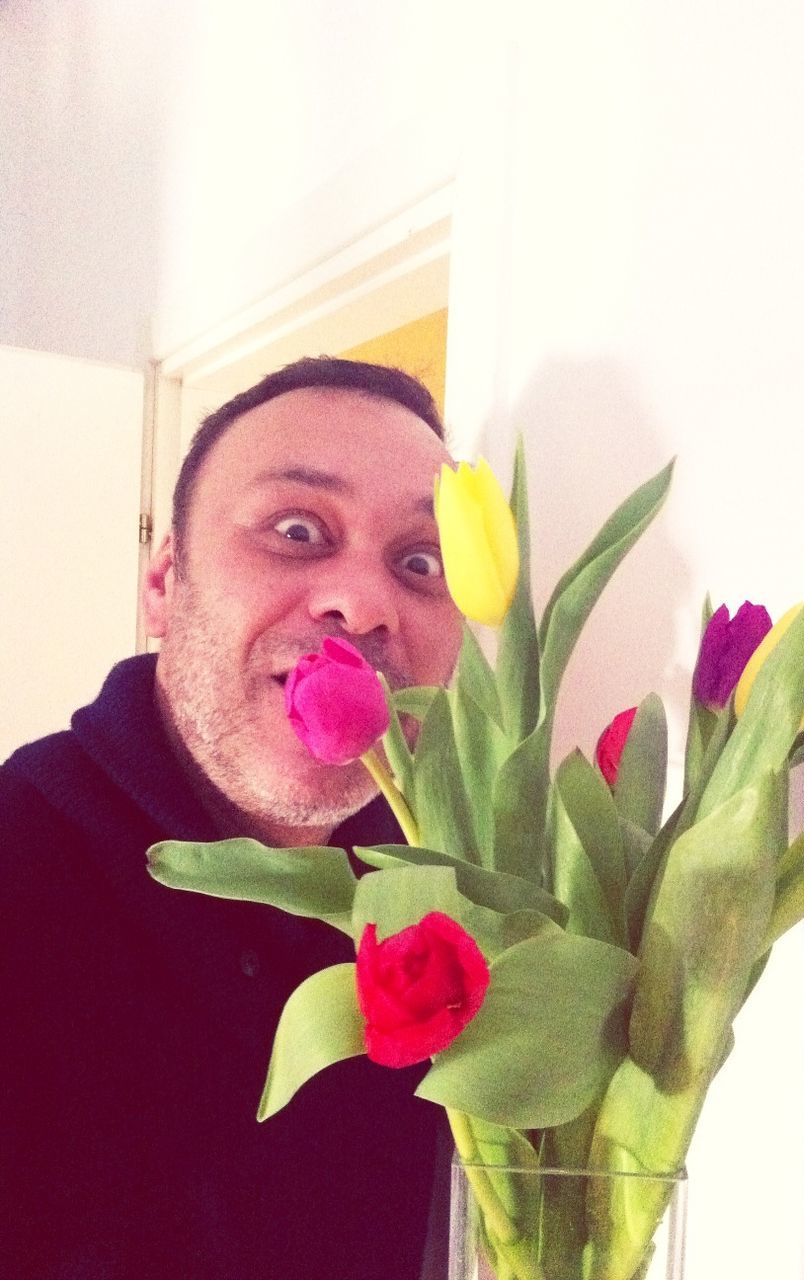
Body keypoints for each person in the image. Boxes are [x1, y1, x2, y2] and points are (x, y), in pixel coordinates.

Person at [1, 357, 464, 1280]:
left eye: (419, 562)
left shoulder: (457, 919)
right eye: (297, 531)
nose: (364, 604)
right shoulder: (18, 871)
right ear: (166, 583)